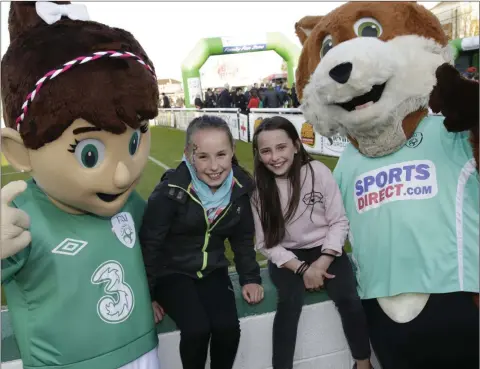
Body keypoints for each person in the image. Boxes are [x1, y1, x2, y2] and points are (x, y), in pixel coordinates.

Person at [0, 2, 161, 369]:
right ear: (20, 152)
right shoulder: (22, 218)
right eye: (89, 153)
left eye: (135, 141)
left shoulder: (130, 204)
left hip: (145, 351)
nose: (122, 175)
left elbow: (160, 245)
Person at [140, 115, 264, 369]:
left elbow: (241, 239)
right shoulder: (169, 192)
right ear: (188, 154)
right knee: (196, 329)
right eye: (203, 156)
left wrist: (250, 278)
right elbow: (150, 246)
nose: (214, 166)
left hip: (212, 270)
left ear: (232, 152)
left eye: (221, 154)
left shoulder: (240, 188)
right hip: (171, 272)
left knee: (228, 328)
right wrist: (148, 297)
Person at [250, 116, 373, 369]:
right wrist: (303, 269)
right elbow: (265, 243)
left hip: (325, 248)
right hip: (287, 255)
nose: (275, 157)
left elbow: (338, 221)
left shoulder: (318, 172)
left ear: (296, 145)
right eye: (266, 151)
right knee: (289, 302)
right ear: (259, 155)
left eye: (281, 147)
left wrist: (323, 260)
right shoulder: (259, 189)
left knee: (349, 298)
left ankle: (363, 363)